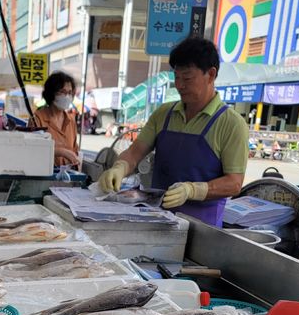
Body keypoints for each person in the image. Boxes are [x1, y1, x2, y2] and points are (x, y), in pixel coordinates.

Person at [99, 37, 248, 226]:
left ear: (210, 75)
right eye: (176, 77)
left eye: (187, 78)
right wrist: (119, 168)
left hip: (202, 229)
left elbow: (234, 183)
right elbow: (135, 153)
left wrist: (193, 190)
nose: (179, 85)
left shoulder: (231, 124)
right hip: (156, 220)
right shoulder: (164, 114)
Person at [32, 72, 81, 166]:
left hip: (67, 175)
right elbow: (33, 148)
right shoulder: (38, 118)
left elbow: (75, 149)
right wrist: (61, 152)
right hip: (44, 174)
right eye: (62, 92)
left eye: (70, 93)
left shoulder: (71, 120)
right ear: (51, 93)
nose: (67, 96)